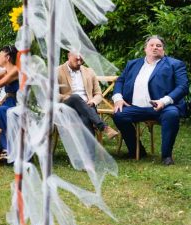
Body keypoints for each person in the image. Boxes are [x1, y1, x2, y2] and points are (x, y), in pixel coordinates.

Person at [113, 36, 188, 165]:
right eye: (151, 45)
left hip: (163, 107)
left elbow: (183, 86)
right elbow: (120, 80)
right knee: (119, 115)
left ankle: (166, 156)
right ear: (145, 49)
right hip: (135, 107)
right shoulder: (133, 64)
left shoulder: (175, 64)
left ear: (163, 49)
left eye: (158, 45)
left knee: (172, 114)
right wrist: (118, 98)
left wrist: (164, 101)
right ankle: (137, 151)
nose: (155, 47)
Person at [57, 51, 119, 139]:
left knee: (86, 119)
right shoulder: (58, 71)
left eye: (81, 60)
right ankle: (104, 127)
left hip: (86, 107)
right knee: (75, 97)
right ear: (69, 56)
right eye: (77, 59)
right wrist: (69, 97)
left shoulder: (89, 72)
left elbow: (98, 94)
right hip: (67, 108)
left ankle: (89, 152)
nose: (79, 62)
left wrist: (93, 102)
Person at [0, 46, 20, 154]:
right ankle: (2, 148)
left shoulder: (16, 70)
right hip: (9, 102)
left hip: (18, 103)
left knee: (1, 110)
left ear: (7, 57)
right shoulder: (6, 70)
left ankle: (7, 148)